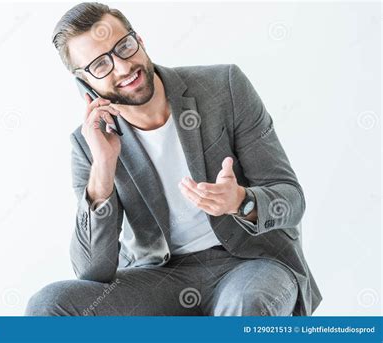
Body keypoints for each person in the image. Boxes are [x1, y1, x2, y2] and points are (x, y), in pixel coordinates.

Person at [25, 2, 322, 316]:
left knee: (244, 307)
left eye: (124, 46)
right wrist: (103, 169)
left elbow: (292, 200)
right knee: (47, 306)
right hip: (157, 278)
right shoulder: (90, 145)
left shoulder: (226, 87)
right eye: (100, 65)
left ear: (139, 40)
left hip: (249, 263)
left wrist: (240, 201)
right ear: (84, 83)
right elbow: (91, 271)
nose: (123, 68)